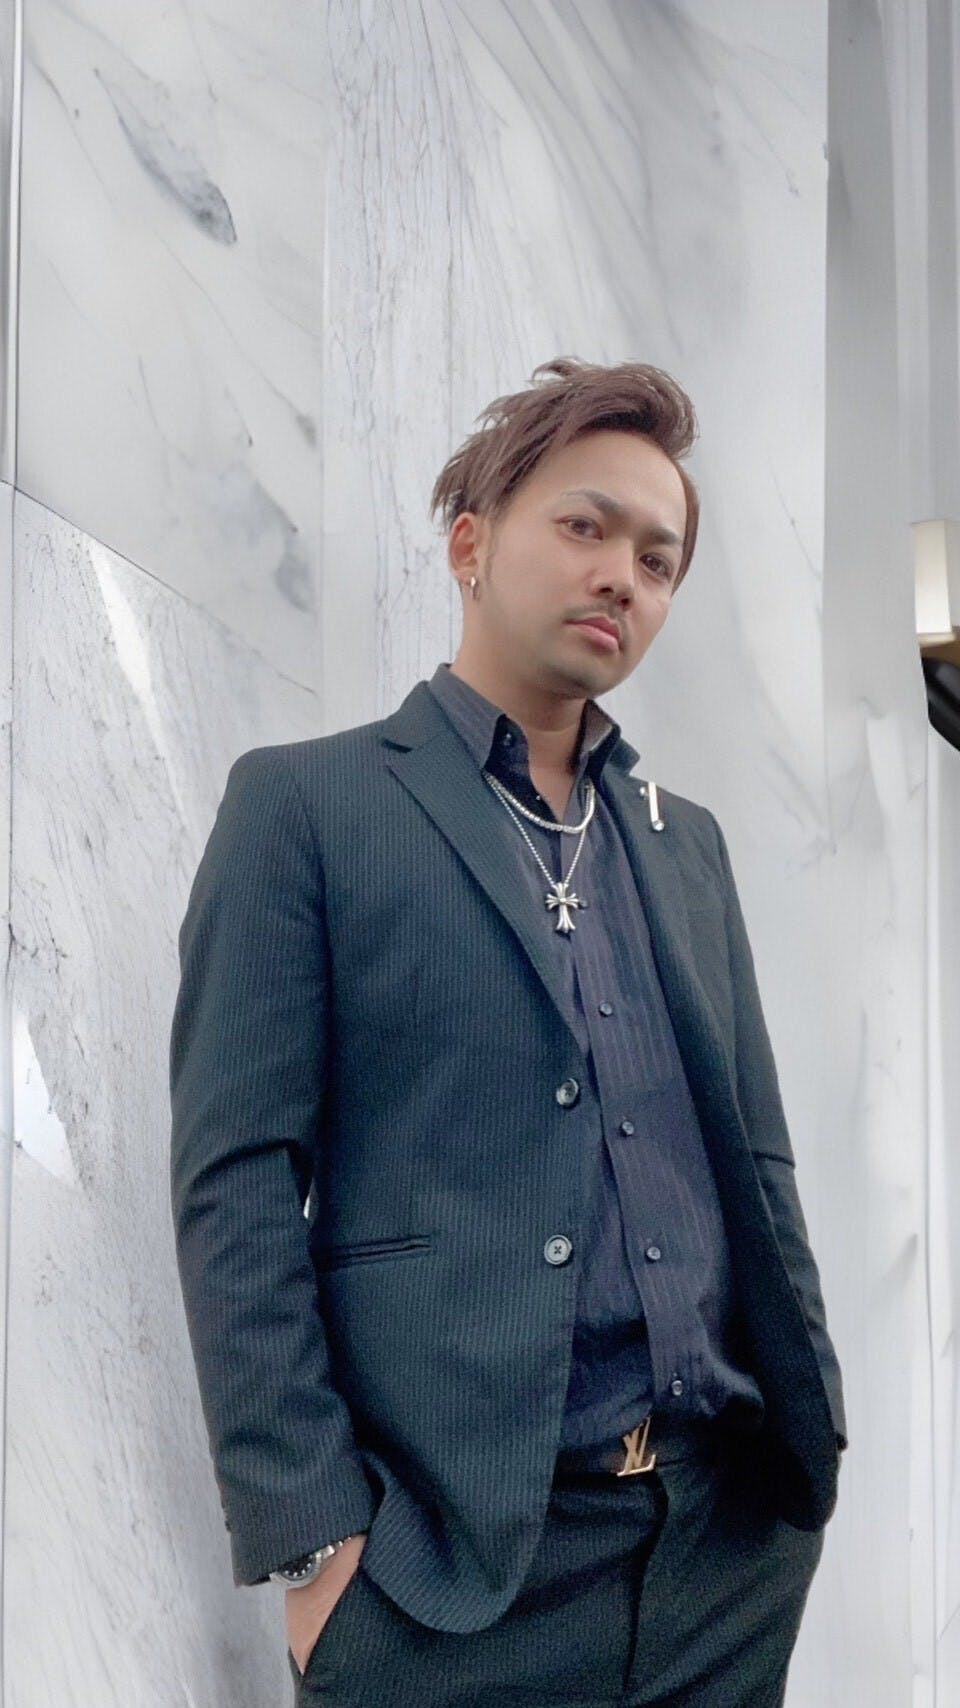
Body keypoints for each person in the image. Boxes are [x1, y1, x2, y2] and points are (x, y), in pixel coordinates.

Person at [169, 356, 847, 1708]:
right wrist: (313, 1542)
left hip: (719, 1555)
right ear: (470, 545)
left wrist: (806, 1448)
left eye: (657, 560)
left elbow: (759, 1168)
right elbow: (236, 1182)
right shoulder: (308, 808)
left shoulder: (688, 847)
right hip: (448, 1581)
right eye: (586, 526)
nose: (621, 577)